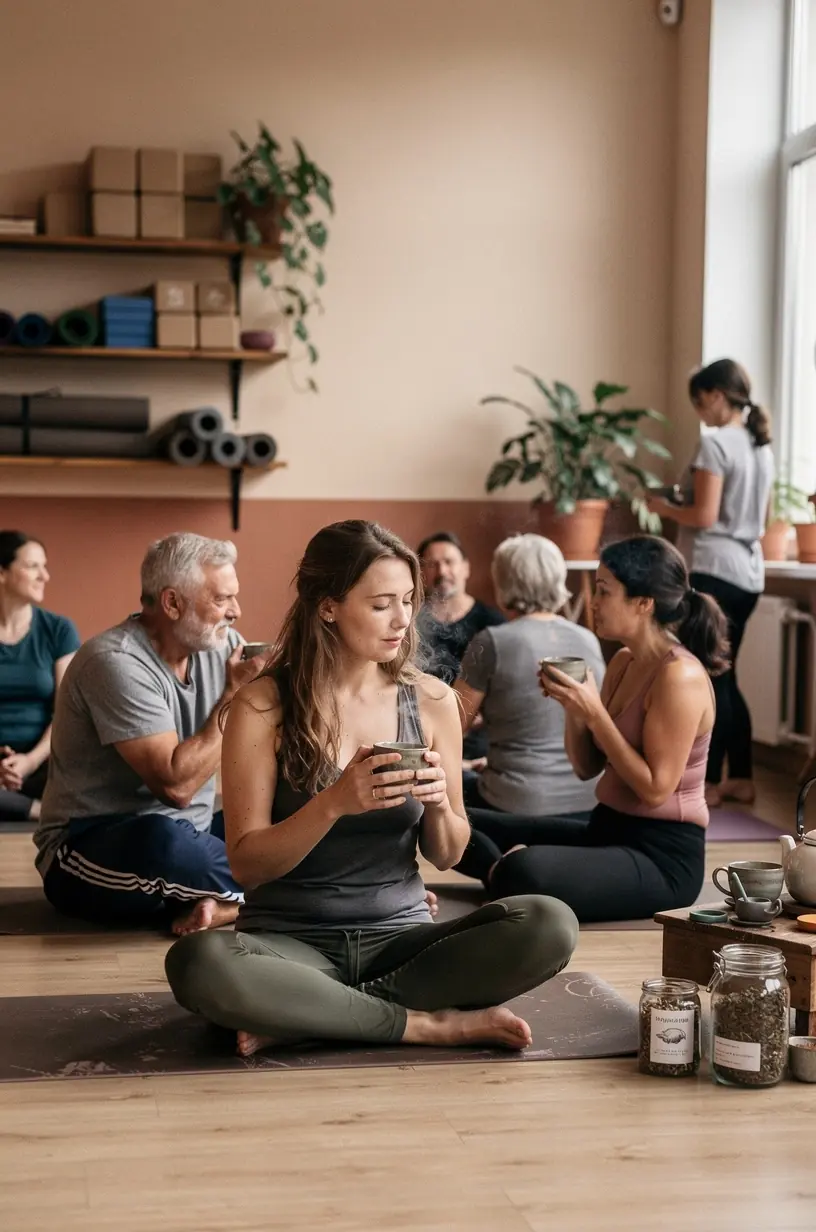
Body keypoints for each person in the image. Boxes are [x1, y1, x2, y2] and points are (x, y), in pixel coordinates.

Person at [165, 520, 578, 1058]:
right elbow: (246, 865)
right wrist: (335, 803)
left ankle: (313, 1015)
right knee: (197, 964)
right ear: (328, 606)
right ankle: (425, 1025)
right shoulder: (262, 707)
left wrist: (438, 805)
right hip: (289, 946)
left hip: (402, 942)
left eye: (408, 601)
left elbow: (448, 854)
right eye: (382, 604)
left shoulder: (431, 701)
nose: (403, 620)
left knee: (550, 923)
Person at [484, 536, 729, 924]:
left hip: (661, 858)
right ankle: (507, 872)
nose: (594, 602)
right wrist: (572, 707)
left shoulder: (679, 676)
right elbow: (586, 767)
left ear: (643, 602)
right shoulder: (623, 662)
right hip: (607, 828)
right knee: (468, 825)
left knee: (524, 868)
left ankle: (511, 872)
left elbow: (655, 789)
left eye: (603, 591)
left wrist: (595, 713)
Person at [33, 532, 265, 933]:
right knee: (171, 848)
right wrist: (235, 695)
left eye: (235, 596)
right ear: (172, 603)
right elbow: (176, 788)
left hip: (194, 831)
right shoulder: (115, 662)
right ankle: (282, 896)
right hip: (89, 847)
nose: (235, 611)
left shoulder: (225, 648)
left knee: (292, 807)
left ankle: (229, 902)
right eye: (221, 599)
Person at [647, 359, 774, 807]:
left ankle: (712, 781)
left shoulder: (716, 444)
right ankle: (740, 775)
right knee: (728, 673)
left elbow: (704, 516)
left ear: (718, 395)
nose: (700, 413)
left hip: (713, 570)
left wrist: (661, 507)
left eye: (701, 402)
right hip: (749, 571)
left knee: (708, 674)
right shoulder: (761, 447)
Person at [452, 534, 606, 884]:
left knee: (429, 803)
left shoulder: (491, 640)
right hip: (588, 805)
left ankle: (499, 871)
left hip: (517, 803)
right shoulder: (587, 639)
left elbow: (451, 724)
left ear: (504, 580)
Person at [0, 531, 80, 823]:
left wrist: (28, 762)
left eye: (44, 566)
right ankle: (37, 810)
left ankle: (12, 803)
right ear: (2, 572)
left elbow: (67, 714)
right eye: (33, 566)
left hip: (45, 763)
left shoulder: (58, 630)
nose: (44, 576)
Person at [416, 531, 505, 767]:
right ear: (421, 574)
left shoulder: (492, 623)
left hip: (476, 739)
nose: (442, 571)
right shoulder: (407, 622)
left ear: (466, 568)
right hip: (420, 733)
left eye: (449, 562)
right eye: (432, 564)